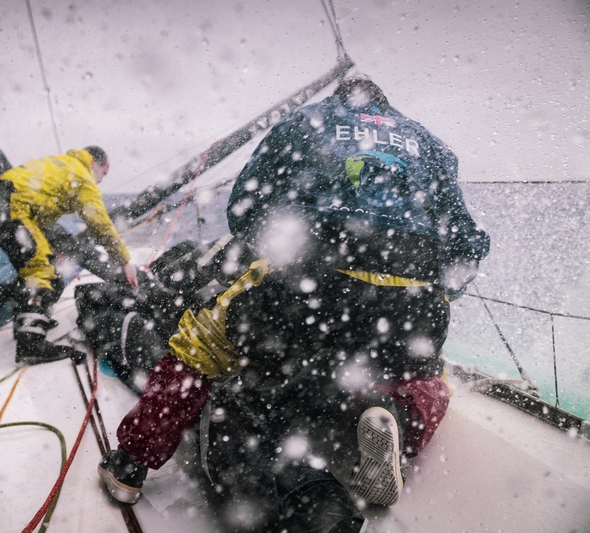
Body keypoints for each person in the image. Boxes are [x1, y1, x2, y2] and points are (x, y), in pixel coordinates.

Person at [97, 77, 489, 532]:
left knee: (202, 351)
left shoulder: (308, 121)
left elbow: (245, 207)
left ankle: (130, 463)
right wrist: (426, 292)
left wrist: (283, 261)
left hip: (316, 283)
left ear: (342, 99)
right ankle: (399, 416)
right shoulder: (431, 145)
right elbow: (466, 246)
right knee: (425, 374)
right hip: (414, 301)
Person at [0, 146, 138, 364]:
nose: (101, 180)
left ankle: (28, 321)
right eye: (104, 173)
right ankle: (31, 343)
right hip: (10, 205)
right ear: (94, 164)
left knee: (37, 265)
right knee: (43, 269)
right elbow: (101, 224)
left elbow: (38, 201)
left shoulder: (62, 163)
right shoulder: (82, 176)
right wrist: (124, 261)